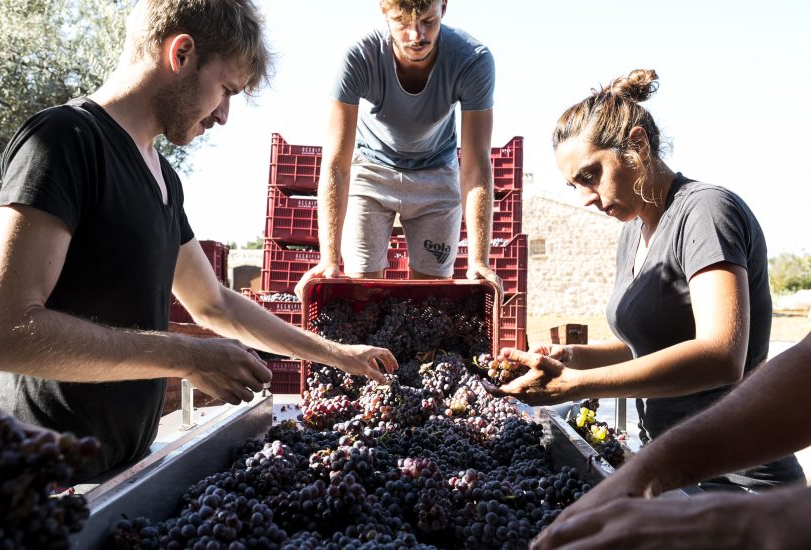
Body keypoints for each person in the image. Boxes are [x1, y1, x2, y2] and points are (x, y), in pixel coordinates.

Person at [0, 0, 397, 482]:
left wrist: (336, 353)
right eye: (225, 90)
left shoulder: (164, 178)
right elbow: (2, 330)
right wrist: (186, 357)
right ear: (180, 53)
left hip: (118, 476)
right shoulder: (64, 141)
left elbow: (215, 305)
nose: (224, 115)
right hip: (38, 482)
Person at [487, 69, 803, 489]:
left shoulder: (705, 211)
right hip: (675, 467)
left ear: (637, 144)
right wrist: (572, 356)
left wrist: (576, 385)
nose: (585, 196)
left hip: (739, 480)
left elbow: (721, 356)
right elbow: (649, 345)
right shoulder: (633, 232)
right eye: (573, 185)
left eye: (590, 175)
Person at [294, 0, 502, 299]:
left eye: (428, 21)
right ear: (383, 10)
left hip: (437, 173)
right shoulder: (357, 56)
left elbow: (475, 165)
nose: (416, 36)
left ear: (443, 6)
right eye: (402, 23)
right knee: (362, 293)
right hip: (371, 169)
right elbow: (336, 163)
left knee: (428, 301)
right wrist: (328, 258)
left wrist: (479, 260)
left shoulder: (473, 59)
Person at [532, 331, 811, 550]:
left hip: (747, 488)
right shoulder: (628, 257)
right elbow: (644, 345)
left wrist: (739, 525)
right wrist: (646, 470)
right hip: (690, 482)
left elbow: (723, 354)